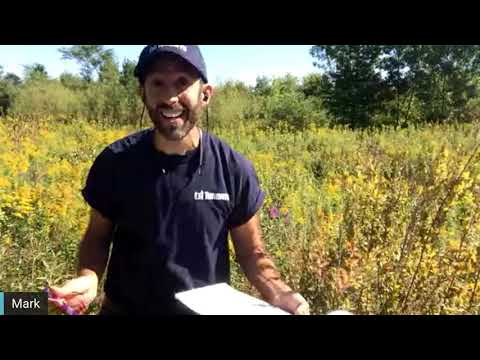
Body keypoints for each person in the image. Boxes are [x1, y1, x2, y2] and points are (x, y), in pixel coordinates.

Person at [48, 45, 310, 316]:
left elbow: (252, 253)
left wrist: (280, 293)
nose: (170, 97)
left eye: (182, 82)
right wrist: (89, 278)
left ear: (205, 94)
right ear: (143, 93)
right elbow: (97, 237)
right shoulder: (115, 162)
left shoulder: (233, 169)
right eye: (158, 83)